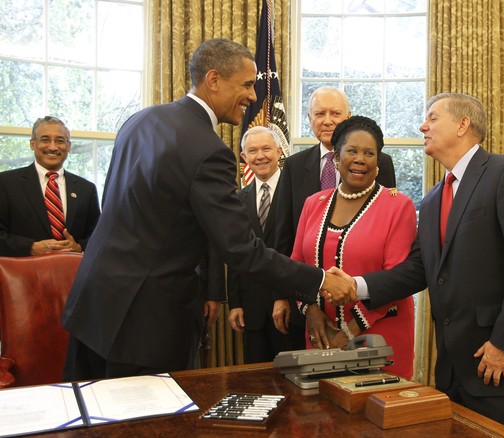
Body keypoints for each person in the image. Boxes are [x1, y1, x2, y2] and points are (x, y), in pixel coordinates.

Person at [60, 38, 353, 381]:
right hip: (144, 324)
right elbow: (243, 250)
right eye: (246, 85)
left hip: (92, 304)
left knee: (88, 421)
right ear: (213, 80)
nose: (253, 96)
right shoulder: (206, 149)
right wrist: (318, 280)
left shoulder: (140, 120)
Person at [325, 93, 504, 437]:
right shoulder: (432, 198)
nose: (422, 126)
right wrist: (356, 285)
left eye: (432, 118)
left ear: (463, 124)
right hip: (453, 370)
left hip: (502, 365)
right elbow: (419, 269)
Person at [291, 116, 416, 378]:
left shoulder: (398, 206)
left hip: (377, 341)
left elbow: (395, 281)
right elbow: (296, 268)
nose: (360, 159)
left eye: (369, 153)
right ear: (336, 158)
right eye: (352, 151)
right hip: (320, 336)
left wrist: (348, 331)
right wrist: (311, 311)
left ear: (377, 163)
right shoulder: (313, 203)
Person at [274, 86, 397, 349]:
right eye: (319, 113)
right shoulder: (293, 166)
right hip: (308, 307)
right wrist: (286, 297)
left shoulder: (380, 162)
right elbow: (284, 236)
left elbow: (385, 230)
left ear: (349, 116)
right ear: (309, 119)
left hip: (366, 309)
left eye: (335, 113)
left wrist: (356, 319)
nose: (327, 120)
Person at [227, 126, 295, 363]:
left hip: (288, 307)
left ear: (278, 151)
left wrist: (283, 296)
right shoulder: (238, 200)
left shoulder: (295, 193)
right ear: (244, 157)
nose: (260, 156)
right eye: (252, 151)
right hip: (251, 309)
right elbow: (236, 254)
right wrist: (235, 303)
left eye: (266, 149)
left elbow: (296, 251)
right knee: (256, 381)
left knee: (290, 381)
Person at [0, 116, 100, 257]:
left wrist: (78, 247)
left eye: (60, 141)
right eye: (45, 140)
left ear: (68, 146)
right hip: (21, 275)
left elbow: (99, 237)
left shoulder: (86, 189)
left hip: (72, 274)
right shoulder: (5, 183)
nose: (53, 147)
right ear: (33, 144)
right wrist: (30, 247)